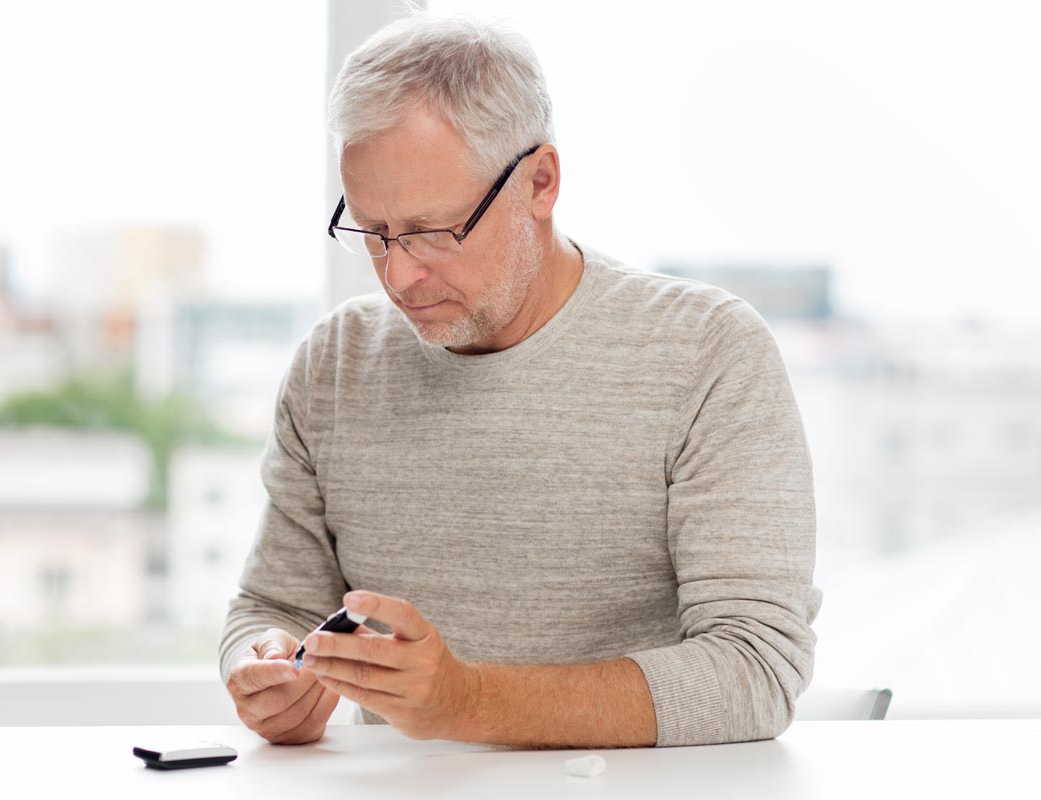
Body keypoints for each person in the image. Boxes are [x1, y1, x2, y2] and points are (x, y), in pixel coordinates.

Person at [220, 13, 822, 749]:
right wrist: (267, 667)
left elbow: (755, 672)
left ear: (540, 181)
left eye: (433, 230)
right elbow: (271, 604)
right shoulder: (336, 362)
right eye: (373, 232)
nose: (400, 274)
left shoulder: (706, 352)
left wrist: (466, 701)